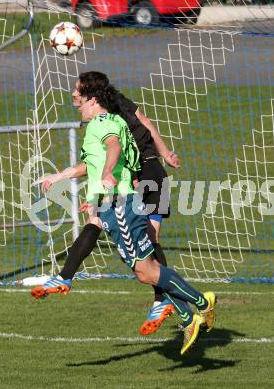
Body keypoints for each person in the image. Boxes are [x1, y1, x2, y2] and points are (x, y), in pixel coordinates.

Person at [31, 74, 216, 355]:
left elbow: (113, 149)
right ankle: (189, 314)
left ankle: (199, 305)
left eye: (78, 94)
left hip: (119, 205)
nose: (75, 99)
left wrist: (107, 176)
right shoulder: (116, 122)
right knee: (146, 270)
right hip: (117, 203)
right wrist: (62, 177)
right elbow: (96, 162)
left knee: (147, 269)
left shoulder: (101, 124)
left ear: (92, 100)